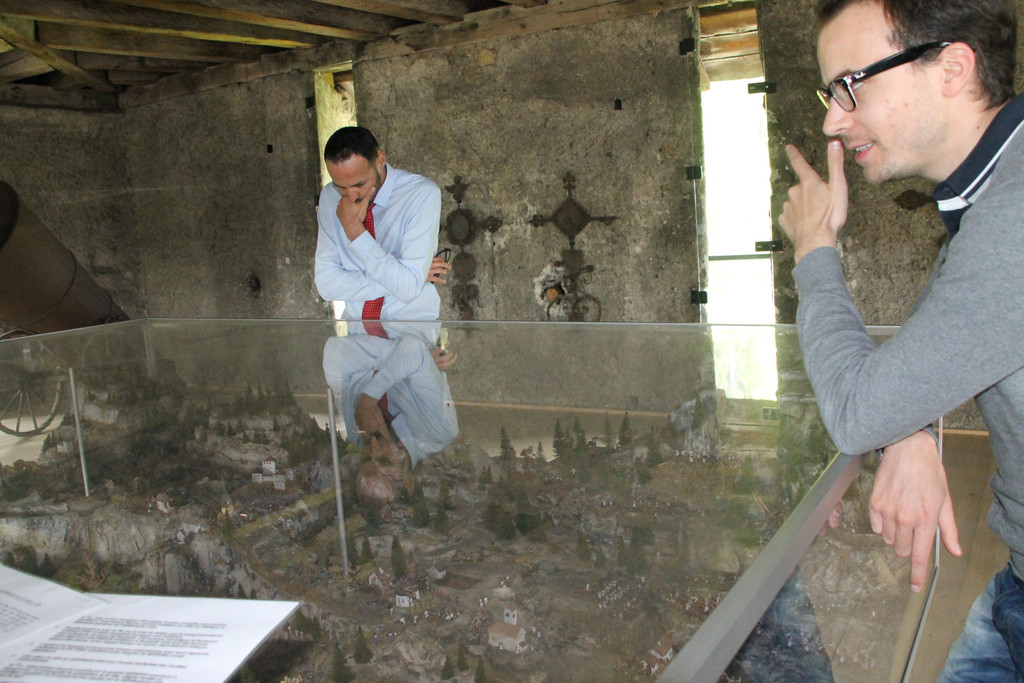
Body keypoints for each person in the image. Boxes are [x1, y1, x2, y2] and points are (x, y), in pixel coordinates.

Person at [778, 0, 1024, 677]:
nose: (833, 120)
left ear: (952, 67)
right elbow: (934, 347)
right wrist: (908, 427)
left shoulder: (1015, 214)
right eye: (830, 94)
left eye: (851, 85)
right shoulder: (993, 194)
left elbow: (858, 410)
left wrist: (814, 249)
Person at [314, 126, 450, 321]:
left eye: (359, 184)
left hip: (412, 328)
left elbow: (408, 289)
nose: (351, 196)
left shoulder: (421, 194)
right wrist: (401, 279)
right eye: (341, 187)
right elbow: (327, 285)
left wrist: (355, 231)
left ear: (380, 160)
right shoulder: (329, 197)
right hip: (356, 329)